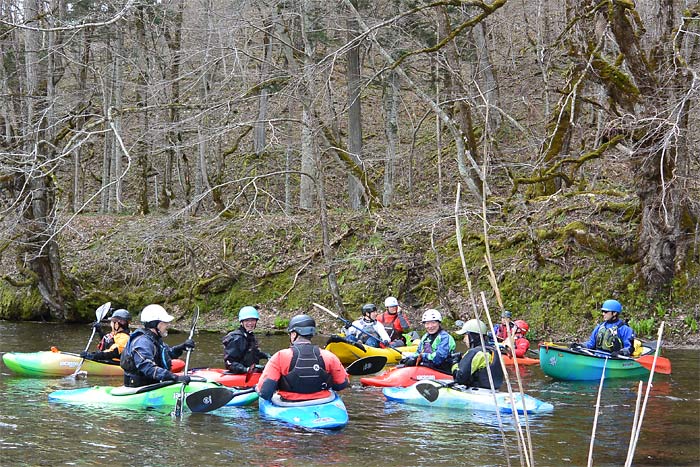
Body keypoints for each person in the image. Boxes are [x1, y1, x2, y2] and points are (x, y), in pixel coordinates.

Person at [257, 314, 349, 402]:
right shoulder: (329, 356)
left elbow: (265, 391)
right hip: (322, 402)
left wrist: (257, 388)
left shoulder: (280, 356)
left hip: (288, 404)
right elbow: (342, 384)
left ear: (294, 334)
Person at [120, 304, 195, 387]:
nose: (167, 325)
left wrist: (182, 347)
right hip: (138, 388)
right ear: (156, 324)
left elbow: (168, 353)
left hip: (152, 384)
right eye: (164, 323)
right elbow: (148, 368)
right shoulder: (142, 342)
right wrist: (175, 377)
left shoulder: (154, 339)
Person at [452, 319, 503, 389]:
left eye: (465, 336)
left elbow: (460, 378)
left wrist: (455, 363)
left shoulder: (475, 352)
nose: (464, 340)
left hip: (478, 393)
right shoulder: (492, 350)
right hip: (493, 391)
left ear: (472, 336)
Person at [222, 306, 271, 373]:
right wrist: (246, 369)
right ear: (242, 322)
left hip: (251, 373)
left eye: (252, 320)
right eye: (247, 320)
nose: (250, 323)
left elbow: (251, 354)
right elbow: (229, 363)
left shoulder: (250, 336)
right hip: (240, 375)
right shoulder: (235, 338)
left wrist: (266, 355)